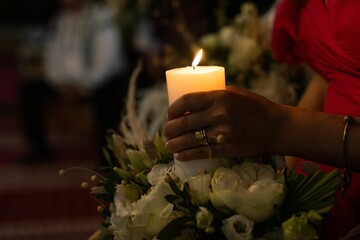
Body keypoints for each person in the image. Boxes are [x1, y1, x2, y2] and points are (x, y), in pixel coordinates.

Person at [163, 0, 360, 239]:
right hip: (316, 201)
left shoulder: (277, 126)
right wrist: (274, 187)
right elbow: (328, 73)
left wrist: (277, 126)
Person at [20, 0, 128, 164]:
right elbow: (51, 57)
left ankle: (106, 157)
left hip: (95, 81)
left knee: (107, 97)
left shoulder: (102, 16)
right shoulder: (59, 20)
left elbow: (108, 61)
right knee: (30, 89)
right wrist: (60, 84)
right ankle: (39, 148)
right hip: (65, 83)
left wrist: (84, 86)